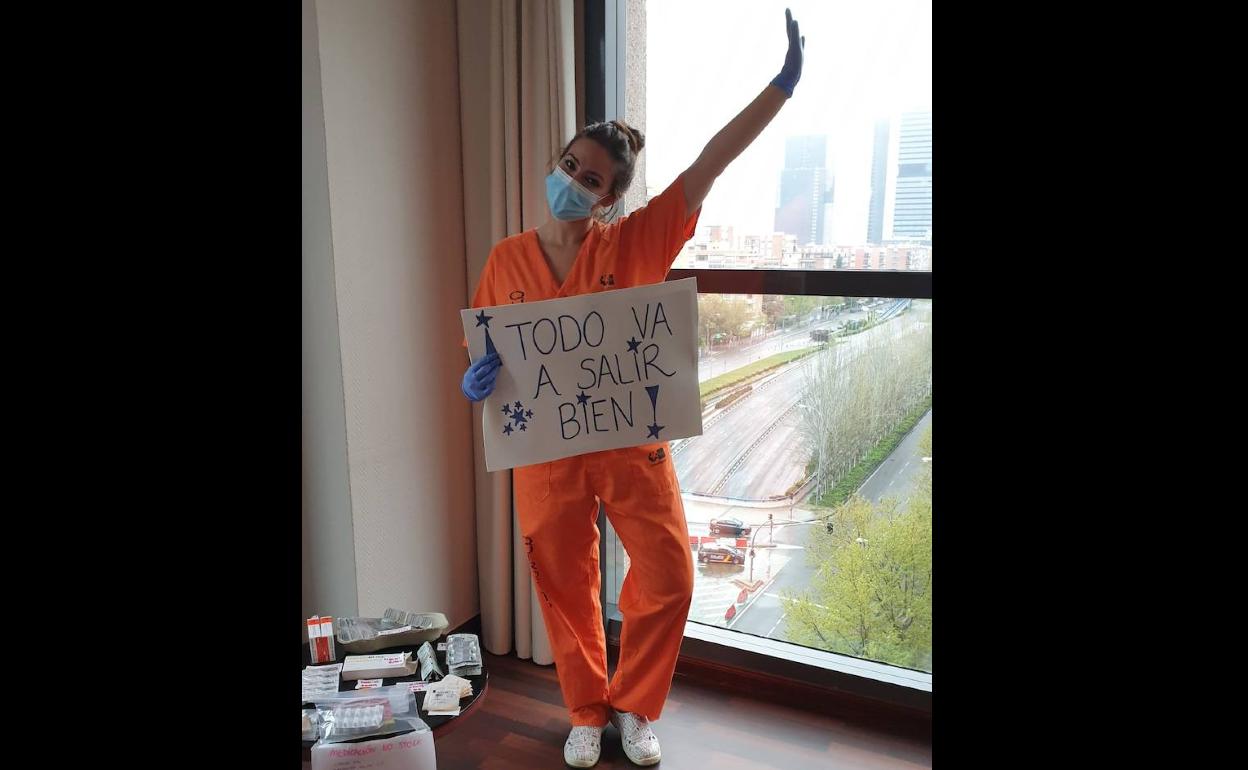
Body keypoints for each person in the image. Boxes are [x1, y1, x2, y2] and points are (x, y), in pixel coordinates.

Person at [461, 9, 805, 767]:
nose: (571, 182)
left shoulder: (637, 242)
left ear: (608, 199)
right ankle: (586, 709)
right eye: (569, 165)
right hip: (546, 456)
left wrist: (779, 89)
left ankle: (635, 706)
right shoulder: (505, 260)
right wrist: (476, 376)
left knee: (672, 576)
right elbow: (486, 354)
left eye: (590, 179)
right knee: (562, 582)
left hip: (629, 444)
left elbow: (709, 165)